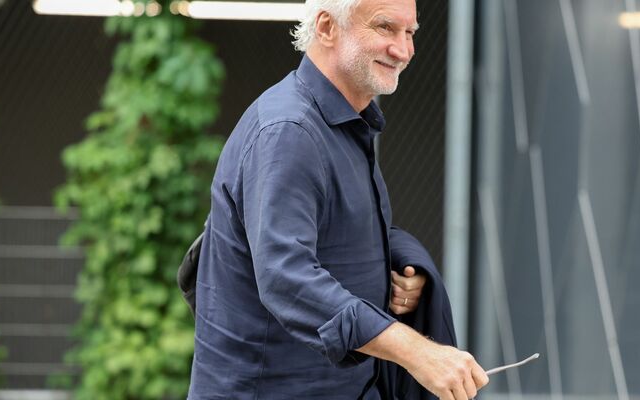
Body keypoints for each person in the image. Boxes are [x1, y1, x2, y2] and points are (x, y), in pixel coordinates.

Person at [187, 0, 489, 398]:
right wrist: (414, 350)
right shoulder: (289, 131)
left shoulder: (344, 122)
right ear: (327, 27)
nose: (403, 50)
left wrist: (401, 268)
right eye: (385, 28)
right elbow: (285, 275)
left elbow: (345, 231)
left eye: (410, 32)